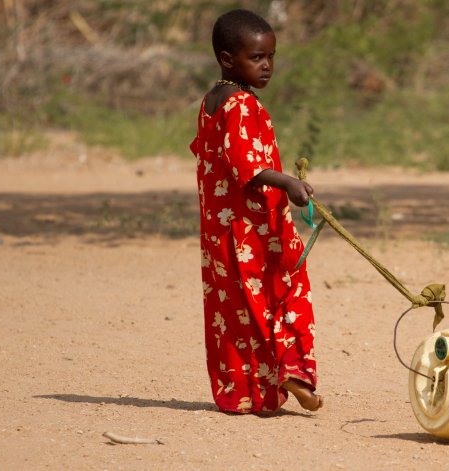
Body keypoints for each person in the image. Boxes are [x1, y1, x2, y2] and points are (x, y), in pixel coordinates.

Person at [189, 9, 322, 413]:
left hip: (220, 231)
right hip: (253, 228)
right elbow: (247, 163)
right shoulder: (241, 104)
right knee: (285, 286)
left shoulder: (211, 102)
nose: (267, 67)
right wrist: (289, 184)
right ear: (228, 59)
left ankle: (247, 394)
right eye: (257, 57)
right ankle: (294, 369)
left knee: (235, 310)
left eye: (270, 57)